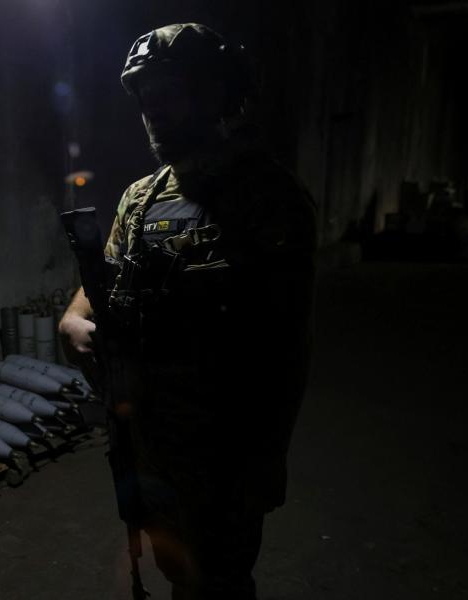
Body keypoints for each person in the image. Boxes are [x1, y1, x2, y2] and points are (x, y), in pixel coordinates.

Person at [59, 23, 317, 600]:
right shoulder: (140, 198)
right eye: (145, 96)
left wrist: (263, 461)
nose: (154, 109)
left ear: (218, 94)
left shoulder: (267, 197)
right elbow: (100, 282)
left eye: (169, 92)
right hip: (148, 439)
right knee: (176, 570)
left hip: (223, 451)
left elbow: (286, 346)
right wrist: (72, 319)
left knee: (219, 581)